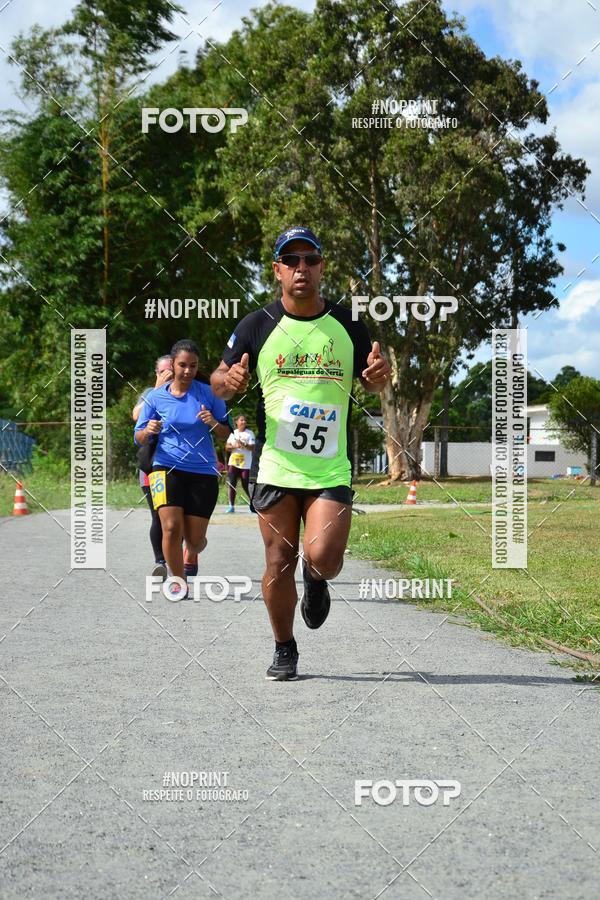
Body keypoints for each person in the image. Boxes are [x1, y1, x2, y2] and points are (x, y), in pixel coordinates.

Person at [211, 226, 390, 679]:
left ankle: (316, 580)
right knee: (276, 561)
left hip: (329, 466)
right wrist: (226, 384)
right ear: (277, 271)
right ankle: (284, 646)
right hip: (276, 465)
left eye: (310, 259)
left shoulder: (348, 325)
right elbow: (217, 380)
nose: (301, 268)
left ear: (322, 267)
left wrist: (376, 379)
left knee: (325, 557)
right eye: (291, 261)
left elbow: (372, 378)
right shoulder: (256, 325)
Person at [135, 339, 231, 598]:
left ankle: (194, 549)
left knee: (194, 540)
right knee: (170, 527)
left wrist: (213, 423)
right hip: (163, 468)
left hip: (202, 471)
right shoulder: (155, 397)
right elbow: (138, 436)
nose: (187, 371)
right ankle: (178, 582)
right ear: (172, 365)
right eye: (182, 365)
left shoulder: (209, 393)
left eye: (192, 366)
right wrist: (149, 430)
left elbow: (226, 433)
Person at [132, 355, 173, 580]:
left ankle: (180, 555)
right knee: (158, 515)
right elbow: (136, 416)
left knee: (179, 517)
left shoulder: (183, 393)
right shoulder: (150, 392)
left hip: (179, 465)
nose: (167, 376)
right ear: (156, 374)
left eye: (171, 372)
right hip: (151, 466)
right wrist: (158, 389)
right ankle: (160, 561)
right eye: (162, 372)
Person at [225, 414, 255, 512]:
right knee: (232, 483)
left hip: (246, 463)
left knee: (245, 484)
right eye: (241, 420)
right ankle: (231, 506)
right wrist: (234, 446)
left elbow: (252, 447)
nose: (244, 422)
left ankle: (252, 505)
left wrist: (244, 444)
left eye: (245, 420)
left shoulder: (250, 433)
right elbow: (227, 447)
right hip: (233, 462)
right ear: (237, 422)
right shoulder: (233, 433)